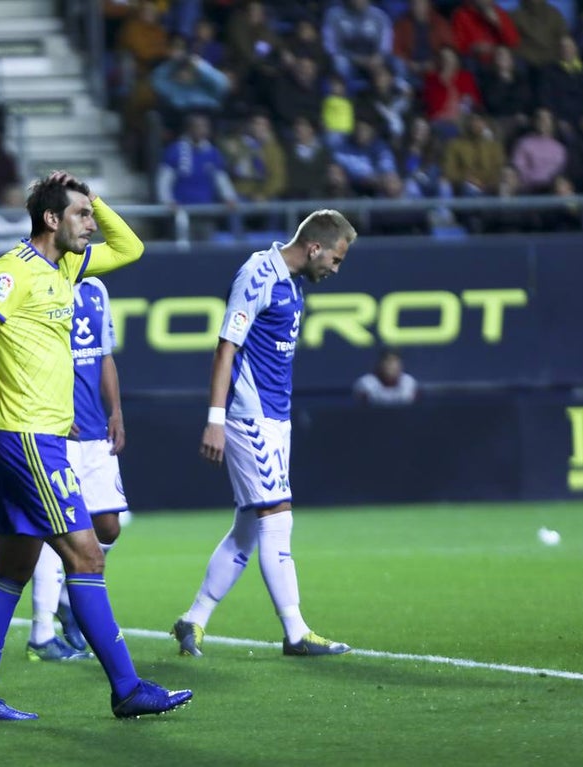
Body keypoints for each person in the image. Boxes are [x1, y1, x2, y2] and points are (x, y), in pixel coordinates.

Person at [0, 171, 191, 721]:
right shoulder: (12, 270)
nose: (91, 225)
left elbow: (132, 247)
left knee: (11, 571)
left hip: (37, 438)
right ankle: (127, 689)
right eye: (80, 215)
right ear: (51, 219)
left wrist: (92, 195)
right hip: (27, 439)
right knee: (88, 554)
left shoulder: (68, 266)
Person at [171, 209, 357, 659]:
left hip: (277, 417)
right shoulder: (258, 274)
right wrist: (216, 419)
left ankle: (193, 620)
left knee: (248, 529)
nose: (336, 269)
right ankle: (295, 631)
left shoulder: (293, 283)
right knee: (277, 517)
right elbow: (227, 346)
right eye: (335, 259)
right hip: (247, 415)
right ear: (314, 247)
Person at [27, 276, 129, 662]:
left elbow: (104, 355)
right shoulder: (37, 283)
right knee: (60, 528)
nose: (88, 229)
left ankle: (68, 600)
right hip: (56, 432)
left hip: (94, 430)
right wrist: (46, 408)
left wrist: (116, 411)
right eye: (81, 216)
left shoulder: (97, 289)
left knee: (108, 527)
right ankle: (41, 634)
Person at [354, 349, 420, 406]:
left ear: (401, 365)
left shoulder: (409, 383)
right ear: (379, 364)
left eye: (395, 361)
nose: (390, 365)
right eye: (387, 361)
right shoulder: (366, 384)